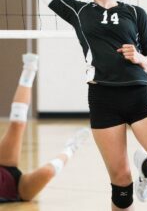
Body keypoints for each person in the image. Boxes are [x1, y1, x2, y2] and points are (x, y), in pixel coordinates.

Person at [30, 0, 147, 210]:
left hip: (137, 95)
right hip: (103, 99)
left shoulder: (135, 13)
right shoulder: (78, 11)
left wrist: (139, 58)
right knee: (121, 185)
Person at [0, 53, 89, 202]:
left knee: (17, 124)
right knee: (48, 172)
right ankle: (70, 148)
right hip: (17, 189)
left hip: (3, 163)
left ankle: (29, 69)